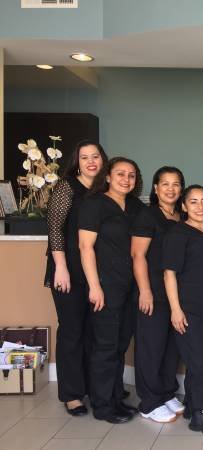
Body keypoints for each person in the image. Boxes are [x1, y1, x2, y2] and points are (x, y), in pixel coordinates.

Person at [78, 157, 145, 424]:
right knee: (105, 347)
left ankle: (116, 397)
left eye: (131, 175)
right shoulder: (94, 204)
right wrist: (94, 286)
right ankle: (103, 406)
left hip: (130, 287)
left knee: (119, 346)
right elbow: (85, 247)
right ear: (107, 176)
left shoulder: (136, 206)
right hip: (105, 286)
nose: (126, 179)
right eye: (120, 174)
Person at [45, 140, 108, 416]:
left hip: (96, 270)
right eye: (85, 157)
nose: (91, 161)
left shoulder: (106, 189)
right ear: (77, 162)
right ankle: (72, 395)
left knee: (94, 332)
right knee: (72, 331)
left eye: (96, 156)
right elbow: (55, 228)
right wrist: (60, 266)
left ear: (103, 160)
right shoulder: (67, 186)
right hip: (68, 268)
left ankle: (94, 388)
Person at [163, 185, 203, 436]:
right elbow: (169, 274)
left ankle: (192, 405)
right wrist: (175, 310)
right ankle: (200, 414)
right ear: (183, 206)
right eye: (193, 202)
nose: (200, 206)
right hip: (187, 308)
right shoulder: (178, 234)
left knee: (198, 360)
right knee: (200, 361)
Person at [131, 166, 185, 423]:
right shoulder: (148, 215)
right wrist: (145, 291)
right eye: (165, 184)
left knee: (171, 347)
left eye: (176, 184)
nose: (170, 189)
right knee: (151, 347)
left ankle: (166, 392)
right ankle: (150, 401)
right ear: (155, 188)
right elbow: (138, 255)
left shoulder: (182, 216)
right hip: (152, 290)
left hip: (176, 293)